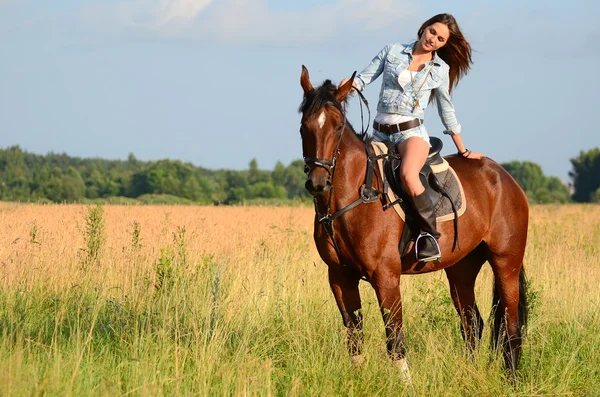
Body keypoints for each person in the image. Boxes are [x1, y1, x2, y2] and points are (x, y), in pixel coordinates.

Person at [340, 13, 485, 263]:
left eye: (441, 39)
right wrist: (347, 87)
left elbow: (445, 109)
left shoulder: (440, 70)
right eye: (432, 32)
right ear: (423, 28)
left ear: (444, 44)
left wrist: (462, 149)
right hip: (378, 133)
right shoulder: (392, 51)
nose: (434, 40)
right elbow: (364, 79)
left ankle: (429, 235)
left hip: (412, 134)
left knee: (408, 175)